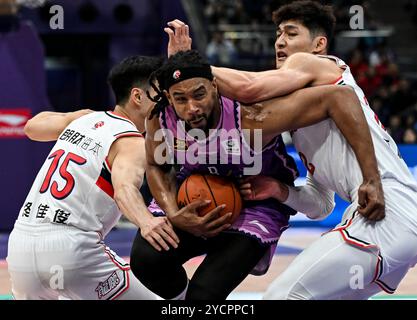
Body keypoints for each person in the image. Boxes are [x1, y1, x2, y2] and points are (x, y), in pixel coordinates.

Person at [166, 1, 417, 299]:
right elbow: (321, 204)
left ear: (318, 44)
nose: (280, 41)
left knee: (282, 296)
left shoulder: (317, 63)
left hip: (387, 211)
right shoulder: (303, 118)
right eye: (277, 34)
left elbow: (250, 88)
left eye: (291, 33)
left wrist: (187, 67)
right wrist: (277, 190)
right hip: (396, 221)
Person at [129, 48, 383, 300]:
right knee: (146, 260)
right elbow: (156, 166)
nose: (192, 107)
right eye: (181, 99)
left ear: (215, 86)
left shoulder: (254, 118)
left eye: (199, 94)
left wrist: (371, 178)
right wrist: (174, 213)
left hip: (255, 205)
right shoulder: (160, 119)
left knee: (204, 295)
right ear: (168, 98)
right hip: (194, 198)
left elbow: (340, 98)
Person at [6, 55, 178, 300]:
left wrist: (75, 117)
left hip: (20, 248)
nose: (167, 104)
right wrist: (146, 221)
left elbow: (32, 127)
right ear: (138, 97)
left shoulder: (85, 119)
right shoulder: (131, 141)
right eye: (162, 97)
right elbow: (124, 189)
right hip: (71, 249)